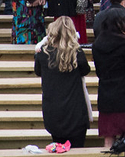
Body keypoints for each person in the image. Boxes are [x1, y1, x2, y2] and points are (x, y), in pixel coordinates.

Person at [34, 15, 90, 150]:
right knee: (77, 149)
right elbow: (85, 70)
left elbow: (38, 71)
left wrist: (42, 43)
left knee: (58, 148)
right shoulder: (76, 52)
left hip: (53, 111)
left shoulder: (43, 53)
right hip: (75, 110)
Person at [93, 1, 125, 149]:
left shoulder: (97, 45)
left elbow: (99, 71)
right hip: (124, 94)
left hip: (106, 95)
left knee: (108, 138)